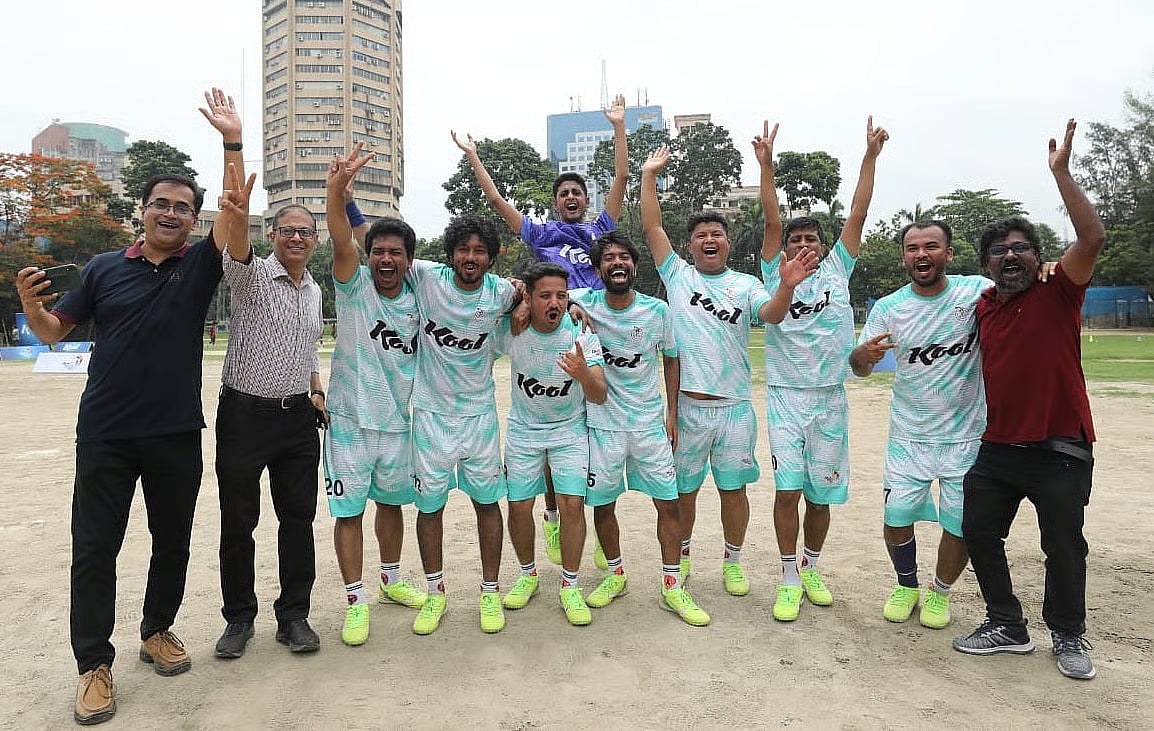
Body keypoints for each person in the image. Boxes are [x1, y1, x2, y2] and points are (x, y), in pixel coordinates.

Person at [13, 87, 248, 726]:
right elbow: (56, 331)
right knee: (95, 548)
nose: (172, 214)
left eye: (183, 207)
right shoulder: (100, 268)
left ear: (193, 218)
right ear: (142, 211)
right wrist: (35, 312)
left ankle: (157, 630)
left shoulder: (202, 264)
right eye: (162, 204)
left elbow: (233, 211)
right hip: (107, 434)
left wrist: (232, 140)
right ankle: (93, 664)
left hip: (174, 431)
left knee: (171, 540)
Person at [951, 120, 1106, 681]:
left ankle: (1067, 634)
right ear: (986, 264)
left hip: (1060, 446)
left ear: (1038, 255)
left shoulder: (1058, 290)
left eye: (1020, 248)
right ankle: (1007, 625)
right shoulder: (984, 306)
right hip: (998, 449)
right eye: (997, 251)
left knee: (1063, 546)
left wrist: (1061, 173)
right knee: (977, 531)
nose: (1009, 256)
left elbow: (1091, 241)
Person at [452, 95, 627, 566]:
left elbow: (622, 181)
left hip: (588, 331)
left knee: (587, 442)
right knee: (549, 436)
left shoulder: (599, 232)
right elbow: (494, 201)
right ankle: (553, 522)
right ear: (554, 202)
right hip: (552, 325)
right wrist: (473, 155)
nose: (571, 197)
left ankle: (583, 530)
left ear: (586, 201)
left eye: (578, 193)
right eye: (563, 193)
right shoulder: (541, 234)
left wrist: (618, 128)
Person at [640, 146, 801, 597]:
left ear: (728, 242)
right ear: (690, 244)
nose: (709, 239)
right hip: (688, 407)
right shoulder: (677, 275)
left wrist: (785, 287)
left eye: (717, 233)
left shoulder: (746, 284)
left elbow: (770, 315)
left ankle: (733, 560)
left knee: (734, 492)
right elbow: (652, 225)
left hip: (734, 410)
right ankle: (684, 555)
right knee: (683, 494)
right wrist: (649, 175)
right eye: (701, 235)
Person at [757, 117, 888, 622]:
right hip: (787, 396)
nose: (805, 245)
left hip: (830, 396)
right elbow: (771, 219)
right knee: (787, 489)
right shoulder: (774, 272)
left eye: (813, 237)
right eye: (797, 239)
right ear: (786, 248)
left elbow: (859, 209)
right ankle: (788, 574)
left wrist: (870, 156)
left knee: (821, 493)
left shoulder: (838, 268)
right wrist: (766, 165)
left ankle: (811, 565)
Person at [212, 97, 326, 658]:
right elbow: (234, 234)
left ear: (316, 239)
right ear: (273, 234)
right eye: (286, 230)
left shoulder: (315, 291)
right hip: (244, 415)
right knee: (238, 522)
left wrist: (317, 389)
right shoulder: (251, 276)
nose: (296, 238)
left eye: (305, 231)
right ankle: (239, 619)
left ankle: (294, 615)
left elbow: (307, 351)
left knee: (297, 522)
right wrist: (234, 148)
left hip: (297, 420)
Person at [850, 221, 992, 629]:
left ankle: (939, 592)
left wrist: (1046, 268)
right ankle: (906, 584)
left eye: (931, 247)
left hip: (967, 436)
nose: (921, 254)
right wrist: (863, 355)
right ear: (903, 257)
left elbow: (1020, 293)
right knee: (896, 516)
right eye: (912, 248)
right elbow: (859, 369)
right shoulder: (889, 308)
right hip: (909, 436)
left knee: (961, 523)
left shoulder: (976, 291)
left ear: (948, 253)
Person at [572, 231, 710, 627]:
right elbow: (544, 292)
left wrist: (671, 413)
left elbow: (671, 359)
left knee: (669, 504)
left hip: (649, 426)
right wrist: (570, 307)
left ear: (635, 265)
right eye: (609, 258)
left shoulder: (657, 311)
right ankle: (615, 574)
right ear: (597, 270)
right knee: (603, 505)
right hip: (604, 425)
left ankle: (671, 584)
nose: (617, 263)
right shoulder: (584, 303)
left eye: (624, 257)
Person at [320, 144, 428, 647]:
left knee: (391, 506)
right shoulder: (353, 283)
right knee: (348, 513)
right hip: (347, 422)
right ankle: (354, 599)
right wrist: (337, 190)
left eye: (396, 253)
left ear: (408, 260)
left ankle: (389, 581)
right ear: (370, 255)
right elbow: (342, 235)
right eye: (379, 251)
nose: (386, 259)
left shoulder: (418, 298)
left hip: (396, 425)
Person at [407, 213, 521, 635]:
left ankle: (489, 591)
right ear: (451, 252)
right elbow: (378, 246)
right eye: (463, 249)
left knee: (487, 504)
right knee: (429, 507)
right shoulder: (426, 277)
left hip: (479, 419)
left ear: (492, 258)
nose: (470, 257)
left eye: (479, 251)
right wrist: (346, 203)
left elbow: (539, 298)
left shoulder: (503, 291)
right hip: (431, 417)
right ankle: (435, 594)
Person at [493, 261, 607, 625]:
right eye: (544, 295)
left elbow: (600, 394)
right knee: (520, 506)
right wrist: (511, 304)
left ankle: (570, 585)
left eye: (561, 294)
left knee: (572, 505)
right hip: (524, 432)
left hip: (569, 432)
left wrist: (583, 373)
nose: (554, 302)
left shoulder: (581, 333)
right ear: (528, 297)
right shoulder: (513, 329)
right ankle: (528, 575)